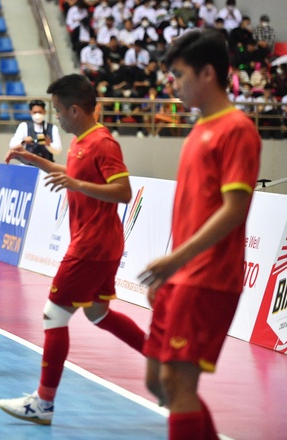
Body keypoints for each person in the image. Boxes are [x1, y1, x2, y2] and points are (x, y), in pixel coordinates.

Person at [0, 74, 146, 425]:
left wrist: (75, 183)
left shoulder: (103, 143)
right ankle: (165, 362)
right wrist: (34, 160)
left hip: (92, 246)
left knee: (54, 315)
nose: (56, 119)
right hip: (98, 243)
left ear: (75, 110)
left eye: (59, 111)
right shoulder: (81, 142)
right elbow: (74, 174)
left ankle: (44, 403)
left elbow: (123, 192)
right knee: (98, 314)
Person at [138, 29, 261, 439]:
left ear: (207, 73)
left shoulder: (237, 129)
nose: (173, 83)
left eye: (178, 74)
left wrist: (175, 261)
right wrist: (170, 272)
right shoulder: (197, 130)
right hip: (182, 275)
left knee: (177, 382)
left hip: (209, 277)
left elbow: (234, 210)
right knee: (157, 381)